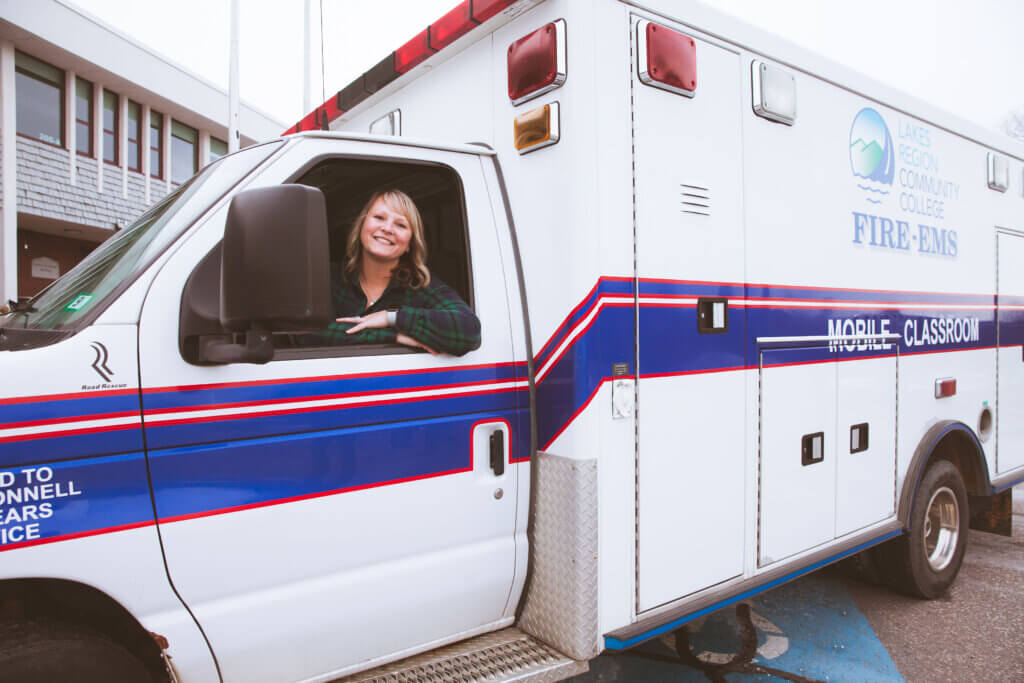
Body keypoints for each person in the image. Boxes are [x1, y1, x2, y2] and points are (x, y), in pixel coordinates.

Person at [316, 189, 481, 356]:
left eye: (400, 225)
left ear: (410, 244)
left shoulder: (421, 286)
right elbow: (305, 332)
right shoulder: (327, 277)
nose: (387, 228)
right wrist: (392, 335)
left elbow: (468, 331)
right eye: (379, 217)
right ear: (361, 226)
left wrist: (393, 318)